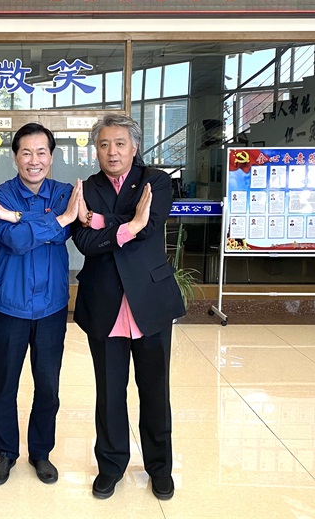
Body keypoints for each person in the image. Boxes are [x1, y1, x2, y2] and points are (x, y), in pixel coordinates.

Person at [72, 114, 185, 501]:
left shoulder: (156, 181)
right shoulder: (87, 187)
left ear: (135, 147)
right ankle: (111, 466)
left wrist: (101, 220)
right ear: (96, 149)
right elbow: (84, 242)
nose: (112, 152)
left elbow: (149, 226)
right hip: (104, 304)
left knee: (155, 392)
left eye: (120, 143)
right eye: (104, 144)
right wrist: (129, 224)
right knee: (109, 393)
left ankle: (160, 468)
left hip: (148, 302)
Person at [0, 122, 81, 487]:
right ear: (15, 157)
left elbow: (64, 228)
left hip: (52, 306)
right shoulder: (0, 196)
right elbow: (14, 241)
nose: (34, 160)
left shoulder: (65, 193)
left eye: (41, 152)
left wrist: (26, 220)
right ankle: (6, 452)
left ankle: (41, 451)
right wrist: (55, 221)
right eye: (26, 152)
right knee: (5, 384)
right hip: (11, 305)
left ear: (51, 157)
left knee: (48, 385)